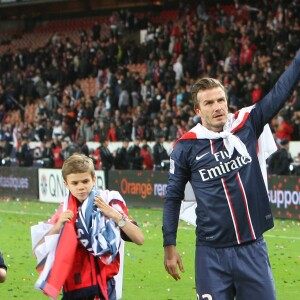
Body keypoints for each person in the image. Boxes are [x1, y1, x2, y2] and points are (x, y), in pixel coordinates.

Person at [162, 50, 300, 300]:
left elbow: (279, 93)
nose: (217, 107)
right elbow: (173, 198)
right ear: (197, 109)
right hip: (211, 255)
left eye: (220, 100)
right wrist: (169, 245)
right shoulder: (185, 147)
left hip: (252, 248)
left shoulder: (247, 124)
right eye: (209, 103)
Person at [31, 153, 144, 300]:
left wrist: (114, 215)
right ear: (66, 184)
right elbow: (37, 252)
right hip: (74, 289)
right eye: (75, 183)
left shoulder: (109, 201)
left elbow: (139, 238)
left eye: (85, 181)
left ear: (94, 179)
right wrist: (58, 226)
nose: (81, 187)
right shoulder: (64, 210)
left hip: (104, 288)